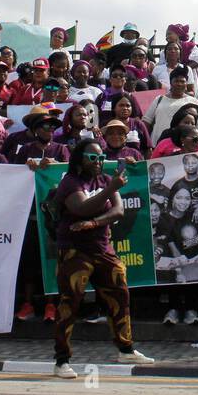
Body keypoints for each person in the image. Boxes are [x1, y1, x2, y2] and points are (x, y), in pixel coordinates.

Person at [48, 140, 156, 378]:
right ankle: (62, 360)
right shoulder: (70, 182)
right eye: (92, 158)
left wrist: (94, 223)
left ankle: (125, 349)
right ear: (80, 159)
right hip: (75, 250)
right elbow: (81, 208)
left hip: (102, 248)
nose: (98, 163)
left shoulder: (106, 180)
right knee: (70, 302)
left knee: (120, 295)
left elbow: (118, 211)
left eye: (100, 158)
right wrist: (109, 191)